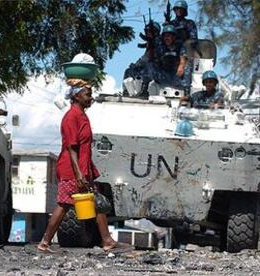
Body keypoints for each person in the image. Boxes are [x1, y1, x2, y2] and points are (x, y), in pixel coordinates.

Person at [37, 79, 129, 253]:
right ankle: (45, 242)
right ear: (76, 95)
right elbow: (72, 147)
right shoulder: (71, 117)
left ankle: (107, 240)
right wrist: (78, 174)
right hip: (72, 169)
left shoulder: (81, 115)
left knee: (94, 202)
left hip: (82, 168)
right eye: (87, 94)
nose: (90, 98)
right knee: (65, 205)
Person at [141, 25, 190, 96]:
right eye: (165, 36)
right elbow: (151, 58)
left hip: (177, 77)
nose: (166, 38)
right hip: (163, 76)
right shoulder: (161, 48)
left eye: (169, 36)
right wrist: (150, 43)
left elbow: (183, 58)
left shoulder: (180, 46)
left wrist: (181, 66)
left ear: (174, 37)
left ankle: (187, 92)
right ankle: (144, 90)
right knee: (149, 65)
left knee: (187, 66)